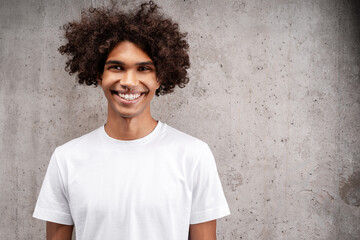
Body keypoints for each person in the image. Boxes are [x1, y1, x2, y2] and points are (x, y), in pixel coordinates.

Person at [33, 1, 230, 239]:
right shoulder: (66, 159)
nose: (128, 81)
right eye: (116, 67)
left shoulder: (194, 155)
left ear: (160, 78)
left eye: (144, 68)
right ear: (99, 75)